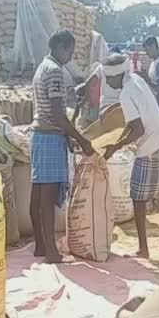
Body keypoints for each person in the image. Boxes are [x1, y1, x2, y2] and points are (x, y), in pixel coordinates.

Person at [30, 29, 94, 262]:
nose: (70, 56)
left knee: (37, 194)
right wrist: (81, 139)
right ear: (62, 47)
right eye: (70, 51)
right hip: (49, 136)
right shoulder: (55, 71)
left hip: (39, 135)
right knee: (47, 198)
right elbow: (57, 114)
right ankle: (51, 252)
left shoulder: (41, 68)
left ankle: (40, 245)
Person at [101, 53, 159, 259]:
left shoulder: (125, 94)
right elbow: (134, 117)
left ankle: (143, 249)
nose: (107, 81)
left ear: (116, 76)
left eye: (108, 78)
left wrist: (115, 147)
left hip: (149, 145)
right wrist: (111, 115)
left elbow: (138, 130)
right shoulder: (136, 80)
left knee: (137, 196)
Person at [76, 47, 125, 118]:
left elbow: (89, 83)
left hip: (105, 107)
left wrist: (87, 99)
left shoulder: (102, 67)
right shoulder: (124, 69)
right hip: (121, 107)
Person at [141, 36, 159, 118]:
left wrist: (146, 78)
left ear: (153, 46)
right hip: (152, 107)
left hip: (158, 108)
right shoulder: (154, 63)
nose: (146, 53)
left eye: (147, 50)